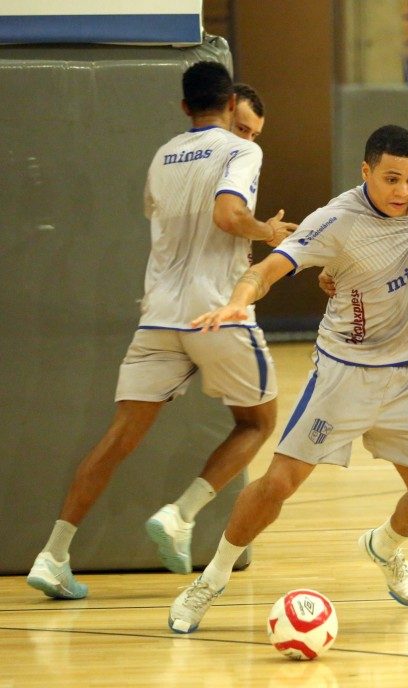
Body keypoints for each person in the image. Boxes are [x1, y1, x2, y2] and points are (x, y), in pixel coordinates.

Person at [166, 124, 408, 634]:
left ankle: (383, 546)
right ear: (365, 172)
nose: (403, 191)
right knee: (277, 484)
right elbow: (267, 271)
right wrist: (237, 301)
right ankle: (210, 580)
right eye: (391, 178)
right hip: (345, 376)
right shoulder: (337, 220)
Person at [26, 61, 297, 600]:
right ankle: (182, 514)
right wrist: (264, 230)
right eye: (241, 124)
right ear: (227, 107)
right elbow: (226, 214)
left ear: (182, 106)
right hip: (214, 310)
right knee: (258, 423)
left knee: (117, 438)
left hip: (157, 314)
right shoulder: (241, 152)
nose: (247, 136)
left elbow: (164, 219)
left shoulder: (162, 155)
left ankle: (52, 554)